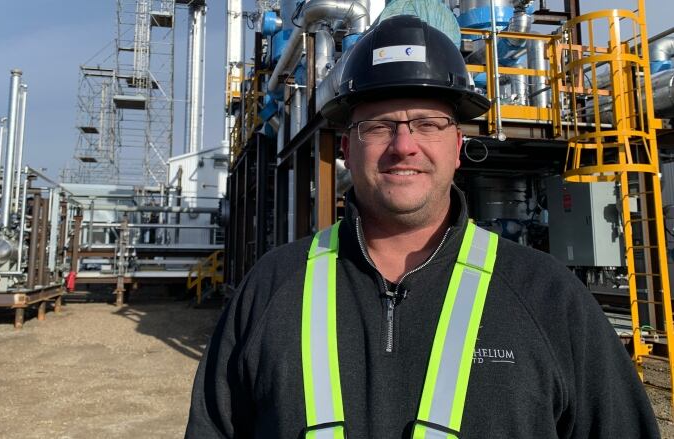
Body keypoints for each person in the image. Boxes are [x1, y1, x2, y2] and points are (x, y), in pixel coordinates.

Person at [186, 15, 660, 438]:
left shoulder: (548, 297)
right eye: (377, 126)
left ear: (457, 146)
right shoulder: (272, 287)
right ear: (347, 151)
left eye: (428, 124)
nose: (404, 145)